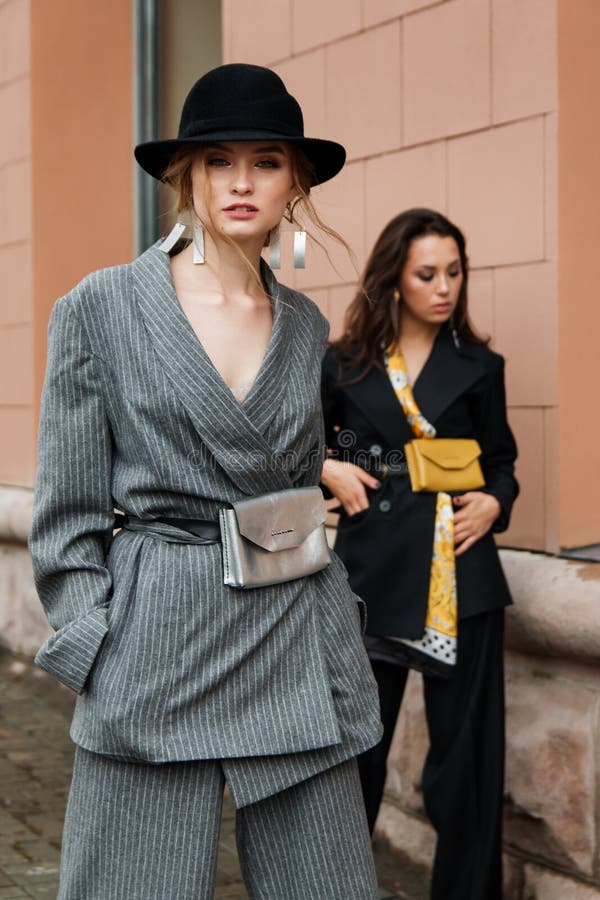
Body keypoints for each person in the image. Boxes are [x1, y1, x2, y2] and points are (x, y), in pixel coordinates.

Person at [29, 63, 382, 900]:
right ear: (185, 174)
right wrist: (96, 643)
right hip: (155, 646)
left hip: (289, 633)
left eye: (266, 161)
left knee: (328, 887)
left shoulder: (303, 326)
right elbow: (68, 509)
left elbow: (283, 487)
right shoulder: (102, 307)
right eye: (219, 160)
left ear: (294, 180)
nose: (241, 181)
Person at [321, 208, 518, 900]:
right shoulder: (342, 365)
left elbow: (500, 464)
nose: (444, 288)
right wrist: (326, 468)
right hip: (372, 580)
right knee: (356, 758)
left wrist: (496, 501)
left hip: (462, 580)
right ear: (394, 280)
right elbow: (299, 449)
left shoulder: (480, 366)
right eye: (427, 274)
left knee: (464, 767)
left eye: (454, 273)